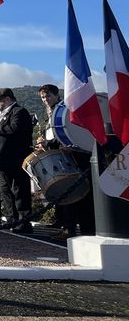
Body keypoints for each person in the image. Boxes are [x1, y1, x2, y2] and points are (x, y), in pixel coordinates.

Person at [38, 83, 95, 237]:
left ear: (57, 95)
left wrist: (49, 143)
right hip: (58, 156)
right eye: (43, 97)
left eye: (48, 96)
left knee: (77, 194)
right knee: (65, 194)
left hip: (76, 156)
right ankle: (66, 226)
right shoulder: (46, 113)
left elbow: (70, 133)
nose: (46, 99)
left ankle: (81, 229)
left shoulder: (65, 109)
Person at [0, 88, 34, 234]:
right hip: (2, 160)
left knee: (19, 190)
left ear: (7, 99)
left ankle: (24, 222)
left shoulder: (19, 112)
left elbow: (14, 129)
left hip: (16, 159)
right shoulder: (1, 114)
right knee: (6, 190)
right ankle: (12, 219)